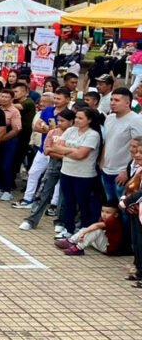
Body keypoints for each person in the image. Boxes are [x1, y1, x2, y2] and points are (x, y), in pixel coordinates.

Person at [51, 108, 103, 238]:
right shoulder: (70, 130)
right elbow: (55, 147)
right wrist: (72, 150)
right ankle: (68, 229)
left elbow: (81, 155)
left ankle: (83, 231)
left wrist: (65, 150)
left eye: (81, 118)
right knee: (69, 202)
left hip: (84, 175)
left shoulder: (93, 135)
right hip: (67, 172)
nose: (77, 121)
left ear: (89, 120)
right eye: (76, 118)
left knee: (83, 203)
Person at [56, 202, 123, 256]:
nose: (104, 214)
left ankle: (79, 249)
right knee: (86, 229)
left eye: (108, 212)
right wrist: (84, 232)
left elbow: (97, 226)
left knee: (96, 230)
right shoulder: (105, 219)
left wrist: (84, 233)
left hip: (108, 248)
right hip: (101, 245)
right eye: (102, 211)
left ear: (116, 215)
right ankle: (71, 241)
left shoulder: (113, 220)